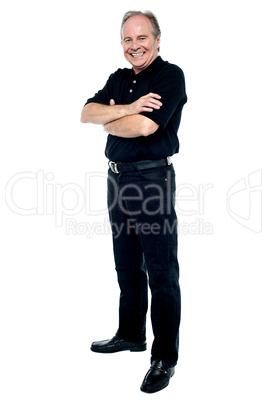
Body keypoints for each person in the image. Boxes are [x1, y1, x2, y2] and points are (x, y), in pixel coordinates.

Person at [81, 10, 187, 393]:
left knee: (161, 270)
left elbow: (146, 127)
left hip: (151, 179)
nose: (135, 45)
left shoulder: (170, 76)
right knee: (126, 263)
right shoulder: (119, 78)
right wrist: (124, 110)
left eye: (142, 38)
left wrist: (110, 120)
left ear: (157, 39)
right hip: (117, 178)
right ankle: (130, 334)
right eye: (127, 39)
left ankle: (164, 357)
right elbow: (86, 113)